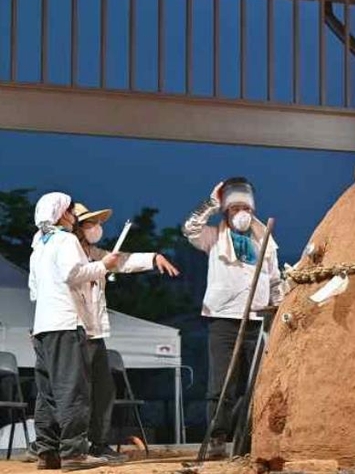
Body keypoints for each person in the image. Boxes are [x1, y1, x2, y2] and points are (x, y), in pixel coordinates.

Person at [181, 178, 283, 459]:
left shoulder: (265, 240)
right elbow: (190, 229)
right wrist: (212, 203)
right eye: (235, 206)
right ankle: (217, 438)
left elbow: (275, 281)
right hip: (223, 320)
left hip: (257, 320)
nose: (242, 213)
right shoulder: (213, 236)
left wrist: (278, 309)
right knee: (221, 384)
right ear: (226, 210)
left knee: (256, 383)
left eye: (245, 207)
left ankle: (250, 438)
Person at [71, 203, 181, 462]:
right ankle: (69, 445)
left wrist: (153, 258)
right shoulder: (69, 253)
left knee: (104, 389)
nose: (96, 228)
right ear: (77, 228)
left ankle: (98, 443)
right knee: (75, 391)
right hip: (74, 329)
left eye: (97, 223)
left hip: (93, 331)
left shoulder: (94, 253)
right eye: (89, 224)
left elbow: (120, 261)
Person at [28, 193, 119, 471]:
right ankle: (73, 453)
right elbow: (72, 273)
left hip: (43, 325)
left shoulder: (38, 244)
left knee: (47, 394)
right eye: (71, 211)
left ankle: (47, 452)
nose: (74, 217)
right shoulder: (65, 240)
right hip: (66, 323)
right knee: (72, 390)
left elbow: (34, 289)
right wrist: (104, 266)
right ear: (62, 214)